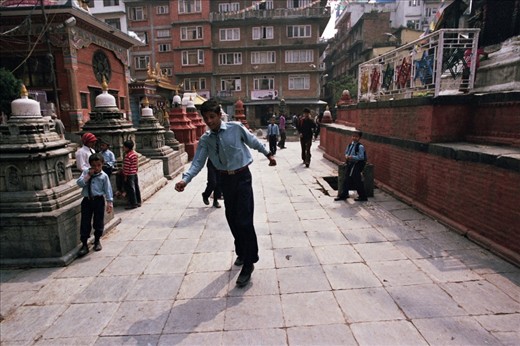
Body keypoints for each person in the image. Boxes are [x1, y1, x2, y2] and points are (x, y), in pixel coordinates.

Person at [175, 98, 276, 288]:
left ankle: (249, 262)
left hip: (242, 177)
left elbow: (253, 142)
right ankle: (241, 251)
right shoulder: (206, 139)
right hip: (225, 181)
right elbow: (197, 162)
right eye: (206, 118)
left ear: (219, 115)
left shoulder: (235, 128)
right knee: (232, 218)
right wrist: (185, 179)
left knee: (245, 220)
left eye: (212, 117)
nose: (209, 121)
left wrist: (268, 154)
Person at [76, 153, 113, 256]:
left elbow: (108, 189)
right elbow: (79, 183)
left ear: (102, 164)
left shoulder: (104, 176)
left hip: (98, 200)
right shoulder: (85, 173)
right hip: (87, 200)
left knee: (98, 221)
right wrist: (88, 176)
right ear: (90, 165)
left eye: (98, 165)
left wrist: (109, 203)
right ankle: (84, 244)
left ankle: (97, 240)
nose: (96, 168)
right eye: (94, 165)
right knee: (85, 222)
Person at [334, 130, 368, 202]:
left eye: (356, 137)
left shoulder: (360, 146)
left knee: (357, 180)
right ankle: (344, 194)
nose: (354, 138)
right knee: (347, 179)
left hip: (356, 165)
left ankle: (363, 196)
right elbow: (346, 152)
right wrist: (347, 156)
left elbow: (361, 157)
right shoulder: (350, 145)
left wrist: (352, 157)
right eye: (353, 136)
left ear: (359, 138)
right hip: (350, 164)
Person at [122, 140, 142, 209]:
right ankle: (138, 201)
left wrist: (125, 175)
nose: (123, 148)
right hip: (134, 173)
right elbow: (136, 165)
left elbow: (126, 167)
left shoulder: (128, 156)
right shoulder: (134, 154)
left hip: (129, 174)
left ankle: (133, 203)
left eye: (124, 147)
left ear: (127, 148)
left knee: (131, 189)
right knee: (136, 187)